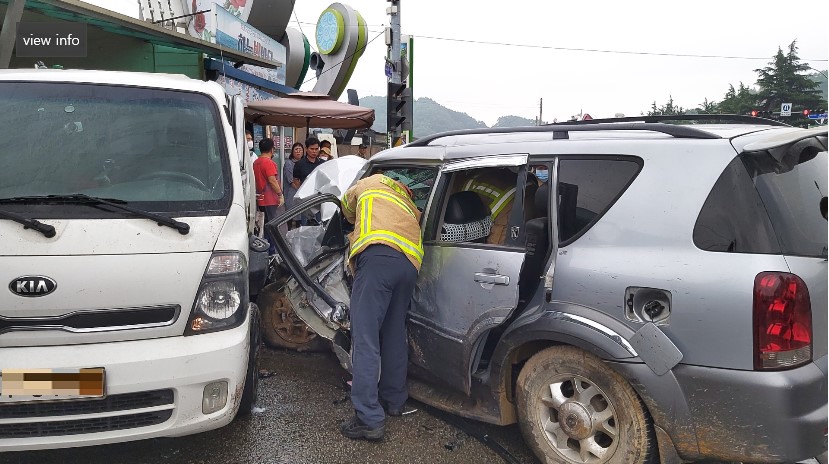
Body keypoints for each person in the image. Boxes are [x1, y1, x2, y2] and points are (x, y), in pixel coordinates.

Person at [339, 173, 422, 441]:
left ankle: (368, 418)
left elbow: (346, 208)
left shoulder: (368, 182)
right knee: (394, 333)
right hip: (409, 265)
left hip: (376, 259)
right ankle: (394, 400)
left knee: (365, 338)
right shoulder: (406, 199)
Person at [253, 138, 286, 254]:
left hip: (260, 198)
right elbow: (272, 180)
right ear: (272, 149)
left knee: (263, 226)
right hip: (270, 199)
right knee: (272, 227)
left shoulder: (256, 162)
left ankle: (265, 250)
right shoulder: (268, 162)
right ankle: (271, 252)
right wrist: (280, 194)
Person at [293, 137, 326, 225]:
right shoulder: (299, 164)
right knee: (305, 225)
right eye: (312, 149)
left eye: (316, 149)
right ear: (306, 149)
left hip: (319, 199)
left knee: (320, 224)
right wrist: (301, 191)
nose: (314, 151)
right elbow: (295, 179)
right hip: (305, 200)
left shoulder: (323, 164)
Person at [283, 142, 304, 228]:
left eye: (300, 149)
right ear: (292, 151)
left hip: (302, 194)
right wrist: (299, 190)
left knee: (300, 216)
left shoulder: (304, 163)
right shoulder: (289, 163)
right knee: (290, 215)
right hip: (291, 193)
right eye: (296, 149)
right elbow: (290, 180)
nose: (298, 151)